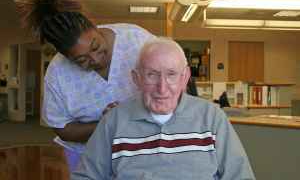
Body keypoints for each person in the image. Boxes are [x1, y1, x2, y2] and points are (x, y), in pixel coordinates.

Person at [15, 0, 155, 171]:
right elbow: (62, 129)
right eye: (82, 60)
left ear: (95, 27)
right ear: (66, 57)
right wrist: (106, 124)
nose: (96, 60)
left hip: (138, 151)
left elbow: (171, 87)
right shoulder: (57, 73)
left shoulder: (137, 39)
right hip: (83, 155)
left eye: (96, 46)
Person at [71, 37, 256, 180]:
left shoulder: (212, 118)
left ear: (185, 78)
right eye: (152, 75)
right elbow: (85, 176)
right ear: (137, 78)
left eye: (171, 75)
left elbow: (240, 176)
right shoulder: (114, 121)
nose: (162, 88)